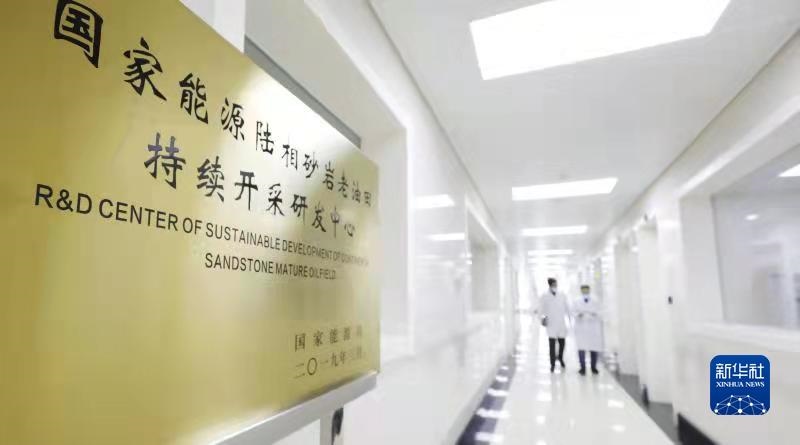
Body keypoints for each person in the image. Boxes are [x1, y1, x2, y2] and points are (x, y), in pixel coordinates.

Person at [537, 278, 571, 373]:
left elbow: (567, 308)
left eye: (556, 284)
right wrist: (541, 319)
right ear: (550, 285)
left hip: (561, 323)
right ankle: (552, 364)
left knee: (562, 343)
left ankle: (560, 357)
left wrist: (570, 320)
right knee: (551, 345)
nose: (555, 286)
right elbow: (540, 309)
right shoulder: (544, 296)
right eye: (553, 285)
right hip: (551, 324)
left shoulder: (562, 294)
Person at [574, 284, 603, 375]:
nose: (585, 292)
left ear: (589, 290)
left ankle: (593, 367)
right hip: (581, 326)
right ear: (581, 290)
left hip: (593, 326)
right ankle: (582, 368)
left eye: (587, 290)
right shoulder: (576, 301)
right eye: (584, 290)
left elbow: (600, 311)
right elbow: (573, 312)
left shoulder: (595, 300)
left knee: (593, 348)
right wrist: (578, 315)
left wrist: (594, 314)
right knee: (581, 349)